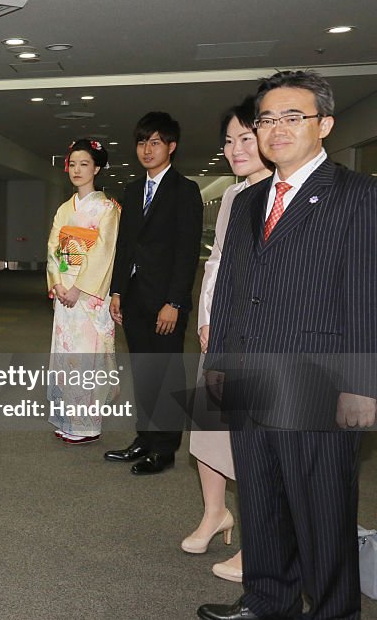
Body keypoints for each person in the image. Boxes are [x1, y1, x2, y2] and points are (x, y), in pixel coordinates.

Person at [198, 71, 377, 620]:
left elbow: (367, 297)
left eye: (291, 116)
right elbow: (231, 288)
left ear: (323, 124)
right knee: (262, 503)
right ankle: (268, 602)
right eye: (267, 118)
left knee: (322, 518)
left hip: (320, 390)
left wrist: (363, 391)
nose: (275, 129)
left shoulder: (358, 195)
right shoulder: (251, 202)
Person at [183, 98, 271, 584]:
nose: (236, 149)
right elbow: (216, 262)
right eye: (229, 140)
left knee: (252, 438)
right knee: (209, 426)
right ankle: (215, 513)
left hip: (261, 335)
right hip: (223, 329)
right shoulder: (236, 196)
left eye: (245, 138)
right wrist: (206, 318)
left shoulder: (282, 194)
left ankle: (260, 540)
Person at [105, 111, 202, 475]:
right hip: (133, 297)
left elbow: (186, 250)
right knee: (144, 371)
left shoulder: (185, 190)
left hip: (166, 302)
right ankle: (144, 438)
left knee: (166, 373)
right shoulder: (131, 191)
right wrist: (117, 291)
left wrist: (174, 301)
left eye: (156, 142)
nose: (147, 149)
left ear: (171, 147)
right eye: (143, 142)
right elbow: (125, 245)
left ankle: (164, 448)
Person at [46, 139, 120, 444]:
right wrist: (58, 284)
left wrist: (79, 287)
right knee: (66, 354)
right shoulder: (65, 209)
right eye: (72, 164)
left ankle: (87, 425)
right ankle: (68, 418)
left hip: (89, 295)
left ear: (97, 168)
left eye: (84, 164)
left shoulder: (108, 208)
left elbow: (105, 251)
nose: (77, 170)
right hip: (66, 291)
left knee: (87, 357)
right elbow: (53, 247)